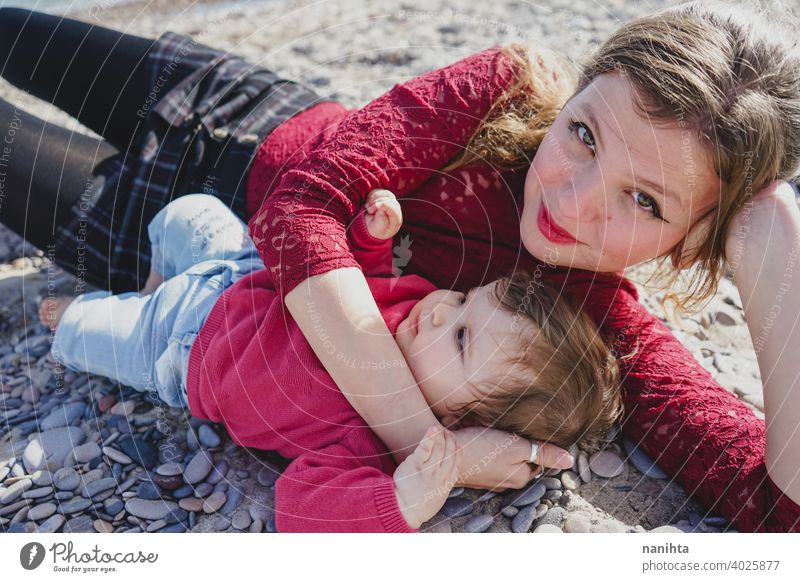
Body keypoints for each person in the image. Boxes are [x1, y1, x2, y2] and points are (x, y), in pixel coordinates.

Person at [0, 1, 799, 531]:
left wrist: (776, 272)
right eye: (584, 134)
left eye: (647, 202)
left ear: (698, 240)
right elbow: (302, 210)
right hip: (238, 103)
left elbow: (778, 507)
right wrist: (432, 448)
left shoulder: (595, 331)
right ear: (580, 89)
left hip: (159, 247)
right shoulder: (503, 90)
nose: (575, 199)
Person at [40, 192, 623, 532]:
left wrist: (403, 503)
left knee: (77, 327)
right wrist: (370, 240)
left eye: (464, 339)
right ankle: (155, 279)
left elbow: (300, 506)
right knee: (186, 211)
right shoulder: (414, 305)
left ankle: (72, 310)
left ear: (462, 422)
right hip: (244, 270)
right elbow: (350, 280)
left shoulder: (361, 441)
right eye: (467, 298)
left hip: (178, 348)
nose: (444, 309)